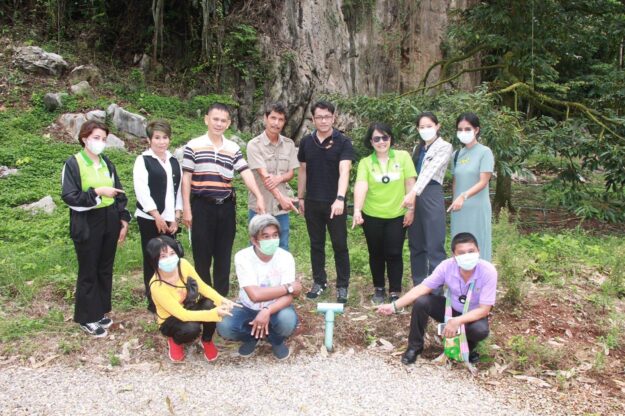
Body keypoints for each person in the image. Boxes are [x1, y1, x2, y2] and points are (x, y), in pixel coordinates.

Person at [181, 102, 266, 296]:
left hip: (226, 208)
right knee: (202, 257)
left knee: (223, 256)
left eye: (223, 120)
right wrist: (186, 208)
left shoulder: (233, 148)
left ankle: (221, 300)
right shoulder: (193, 145)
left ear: (228, 124)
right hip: (201, 206)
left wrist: (259, 196)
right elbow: (186, 178)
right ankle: (205, 299)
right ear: (207, 120)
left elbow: (245, 172)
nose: (218, 124)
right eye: (215, 119)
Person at [377, 232, 497, 365]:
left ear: (478, 251)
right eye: (461, 253)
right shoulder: (446, 266)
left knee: (480, 331)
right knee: (422, 302)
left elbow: (484, 310)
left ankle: (468, 348)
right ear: (454, 255)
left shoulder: (488, 271)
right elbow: (422, 288)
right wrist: (394, 306)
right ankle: (414, 348)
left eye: (471, 251)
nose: (467, 256)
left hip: (473, 314)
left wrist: (457, 321)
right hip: (451, 309)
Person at [61, 120, 131, 338]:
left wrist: (123, 218)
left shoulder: (106, 162)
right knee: (88, 268)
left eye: (103, 139)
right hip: (87, 221)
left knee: (104, 267)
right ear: (84, 138)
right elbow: (70, 197)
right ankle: (86, 317)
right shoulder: (73, 163)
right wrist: (97, 192)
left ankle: (99, 311)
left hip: (109, 218)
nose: (100, 142)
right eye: (96, 138)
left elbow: (118, 191)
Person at [217, 215, 302, 360]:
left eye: (275, 235)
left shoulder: (285, 257)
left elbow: (288, 298)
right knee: (224, 325)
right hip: (246, 307)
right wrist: (289, 287)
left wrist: (267, 310)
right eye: (266, 236)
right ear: (254, 240)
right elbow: (255, 296)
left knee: (287, 320)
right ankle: (251, 337)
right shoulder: (243, 257)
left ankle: (276, 340)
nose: (272, 240)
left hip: (276, 307)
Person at [352, 122, 416, 304]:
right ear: (371, 142)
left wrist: (411, 209)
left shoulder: (403, 157)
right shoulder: (365, 162)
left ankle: (395, 290)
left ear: (390, 138)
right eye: (376, 138)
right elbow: (361, 185)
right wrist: (357, 210)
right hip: (372, 215)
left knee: (394, 252)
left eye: (385, 137)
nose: (381, 141)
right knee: (376, 253)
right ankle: (378, 288)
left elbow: (410, 184)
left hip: (397, 214)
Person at [146, 236, 238, 362]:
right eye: (163, 256)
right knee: (191, 329)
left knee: (210, 303)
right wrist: (214, 313)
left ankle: (207, 340)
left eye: (172, 253)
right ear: (154, 260)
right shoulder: (157, 286)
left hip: (188, 306)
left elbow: (202, 287)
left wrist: (222, 300)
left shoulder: (183, 264)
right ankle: (175, 341)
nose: (169, 259)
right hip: (171, 319)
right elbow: (182, 314)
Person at [297, 100, 354, 303]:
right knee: (316, 244)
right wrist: (300, 197)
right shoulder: (306, 142)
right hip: (312, 201)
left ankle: (342, 285)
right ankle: (319, 281)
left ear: (333, 118)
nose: (323, 121)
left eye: (327, 117)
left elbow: (344, 170)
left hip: (334, 203)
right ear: (312, 119)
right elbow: (303, 170)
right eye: (319, 117)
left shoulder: (343, 141)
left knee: (340, 244)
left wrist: (340, 198)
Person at [133, 120, 182, 313]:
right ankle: (153, 301)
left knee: (170, 257)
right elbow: (142, 191)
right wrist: (156, 216)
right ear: (149, 139)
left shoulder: (173, 160)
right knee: (153, 258)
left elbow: (177, 191)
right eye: (157, 138)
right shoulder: (143, 160)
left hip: (170, 219)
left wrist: (176, 216)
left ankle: (171, 295)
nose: (162, 142)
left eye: (165, 137)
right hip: (149, 218)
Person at [402, 112, 453, 286]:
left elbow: (429, 172)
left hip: (431, 193)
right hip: (414, 194)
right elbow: (411, 174)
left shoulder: (444, 146)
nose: (425, 130)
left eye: (429, 126)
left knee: (435, 244)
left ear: (437, 126)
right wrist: (411, 196)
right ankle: (419, 286)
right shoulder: (418, 148)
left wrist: (412, 193)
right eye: (422, 127)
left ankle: (435, 289)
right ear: (417, 129)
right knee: (416, 243)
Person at [246, 102, 299, 250]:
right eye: (273, 118)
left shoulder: (289, 144)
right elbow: (264, 176)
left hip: (281, 209)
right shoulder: (254, 145)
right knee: (258, 246)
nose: (276, 123)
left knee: (282, 245)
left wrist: (279, 178)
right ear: (265, 118)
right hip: (260, 206)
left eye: (280, 119)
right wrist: (281, 198)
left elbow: (291, 173)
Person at [447, 112, 494, 261]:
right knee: (459, 245)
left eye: (467, 129)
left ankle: (481, 275)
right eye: (460, 129)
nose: (463, 132)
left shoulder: (485, 152)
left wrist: (464, 196)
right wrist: (456, 200)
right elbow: (456, 181)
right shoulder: (456, 155)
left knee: (477, 243)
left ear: (476, 130)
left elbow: (483, 181)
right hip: (459, 209)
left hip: (477, 208)